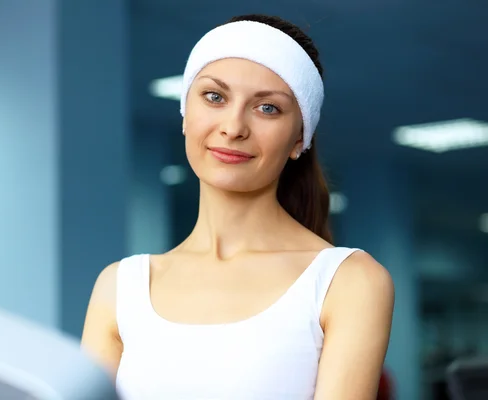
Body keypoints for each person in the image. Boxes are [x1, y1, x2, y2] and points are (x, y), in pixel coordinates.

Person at [81, 14, 395, 399]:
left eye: (267, 109)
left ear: (299, 139)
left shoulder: (346, 281)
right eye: (215, 97)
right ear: (185, 113)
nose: (233, 127)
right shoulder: (120, 286)